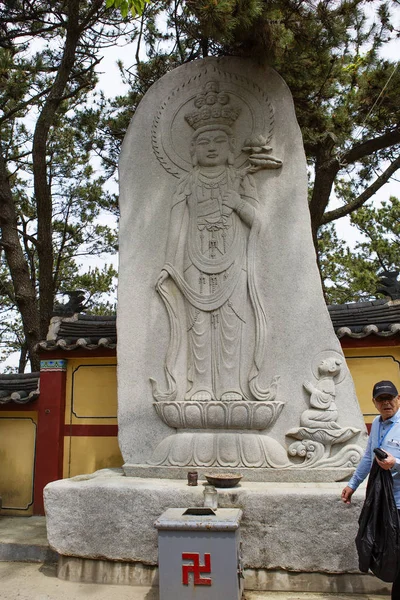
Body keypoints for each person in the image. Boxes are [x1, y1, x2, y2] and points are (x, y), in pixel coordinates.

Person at [152, 81, 269, 403]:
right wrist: (168, 264)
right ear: (192, 149)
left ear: (231, 146)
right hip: (194, 260)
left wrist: (237, 204)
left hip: (233, 260)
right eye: (204, 141)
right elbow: (176, 226)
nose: (212, 147)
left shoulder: (240, 178)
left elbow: (259, 222)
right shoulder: (186, 183)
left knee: (232, 322)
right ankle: (200, 385)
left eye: (219, 140)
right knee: (198, 325)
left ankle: (231, 385)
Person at [341, 380, 400, 598]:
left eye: (390, 398)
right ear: (374, 403)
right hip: (383, 503)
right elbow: (368, 456)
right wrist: (352, 484)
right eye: (381, 399)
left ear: (398, 399)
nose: (387, 403)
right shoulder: (376, 423)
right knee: (386, 551)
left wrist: (396, 463)